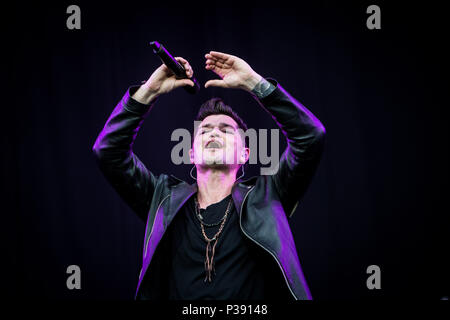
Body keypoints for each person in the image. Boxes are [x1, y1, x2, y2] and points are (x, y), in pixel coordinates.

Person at [92, 50, 326, 300]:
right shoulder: (163, 199)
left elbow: (310, 136)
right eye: (204, 131)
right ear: (191, 153)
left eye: (226, 130)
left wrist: (254, 83)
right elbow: (108, 151)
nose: (214, 134)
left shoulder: (268, 196)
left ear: (245, 154)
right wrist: (149, 91)